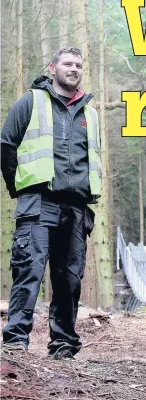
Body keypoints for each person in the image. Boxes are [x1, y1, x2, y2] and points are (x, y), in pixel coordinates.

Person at [1, 46, 102, 358]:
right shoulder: (31, 101)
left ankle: (63, 346)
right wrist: (20, 187)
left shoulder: (91, 113)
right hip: (38, 201)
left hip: (76, 206)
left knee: (69, 279)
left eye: (78, 65)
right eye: (68, 64)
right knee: (29, 270)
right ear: (53, 67)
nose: (73, 69)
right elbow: (6, 145)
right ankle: (16, 342)